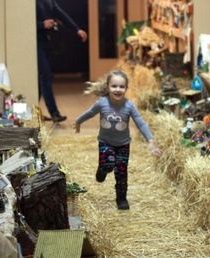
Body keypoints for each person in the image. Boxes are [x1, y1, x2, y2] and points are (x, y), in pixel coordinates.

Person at [73, 70, 162, 210]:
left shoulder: (129, 106)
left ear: (126, 89)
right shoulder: (102, 103)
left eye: (122, 86)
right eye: (114, 86)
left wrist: (151, 141)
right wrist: (78, 121)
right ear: (107, 87)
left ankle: (121, 198)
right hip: (105, 142)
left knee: (121, 172)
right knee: (108, 164)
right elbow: (90, 113)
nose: (118, 89)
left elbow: (140, 123)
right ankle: (102, 169)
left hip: (123, 145)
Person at [36, 0, 87, 122]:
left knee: (40, 80)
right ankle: (54, 113)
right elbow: (21, 24)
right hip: (33, 43)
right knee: (45, 77)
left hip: (46, 42)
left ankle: (32, 113)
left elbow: (61, 14)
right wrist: (41, 24)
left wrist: (77, 29)